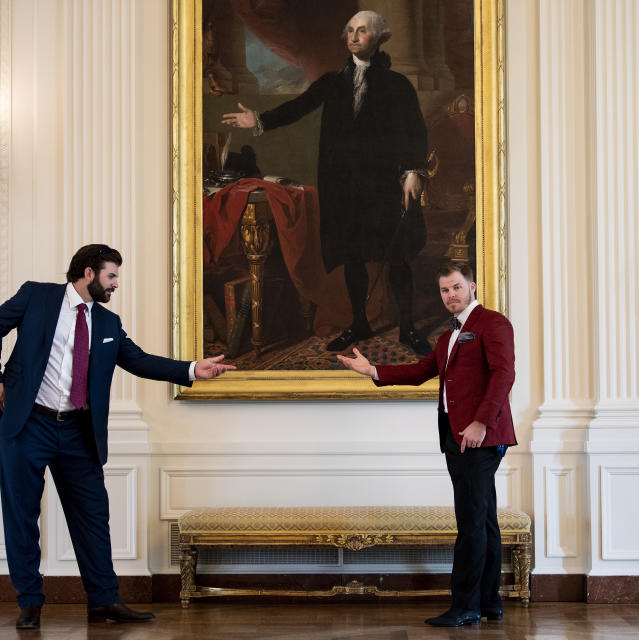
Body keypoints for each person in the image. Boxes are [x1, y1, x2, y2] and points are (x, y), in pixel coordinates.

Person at [0, 244, 234, 629]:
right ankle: (30, 603)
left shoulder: (108, 324)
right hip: (27, 425)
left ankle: (103, 602)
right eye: (111, 276)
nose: (116, 284)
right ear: (87, 273)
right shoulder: (38, 296)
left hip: (78, 432)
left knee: (93, 518)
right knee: (22, 516)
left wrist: (193, 369)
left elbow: (140, 361)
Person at [221, 10, 432, 356]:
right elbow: (298, 106)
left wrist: (412, 172)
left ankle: (408, 327)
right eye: (349, 30)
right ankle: (359, 320)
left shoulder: (398, 85)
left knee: (396, 257)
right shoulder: (333, 82)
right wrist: (258, 119)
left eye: (361, 31)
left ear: (378, 38)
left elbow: (415, 131)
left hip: (383, 186)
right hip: (344, 188)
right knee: (352, 256)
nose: (352, 36)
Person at [337, 261, 515, 627]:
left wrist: (481, 421)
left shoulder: (492, 323)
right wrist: (373, 371)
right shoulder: (447, 336)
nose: (450, 295)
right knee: (484, 521)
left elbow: (503, 374)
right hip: (455, 436)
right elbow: (420, 372)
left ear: (473, 287)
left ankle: (465, 606)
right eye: (444, 290)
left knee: (471, 523)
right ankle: (488, 602)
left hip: (480, 436)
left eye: (456, 287)